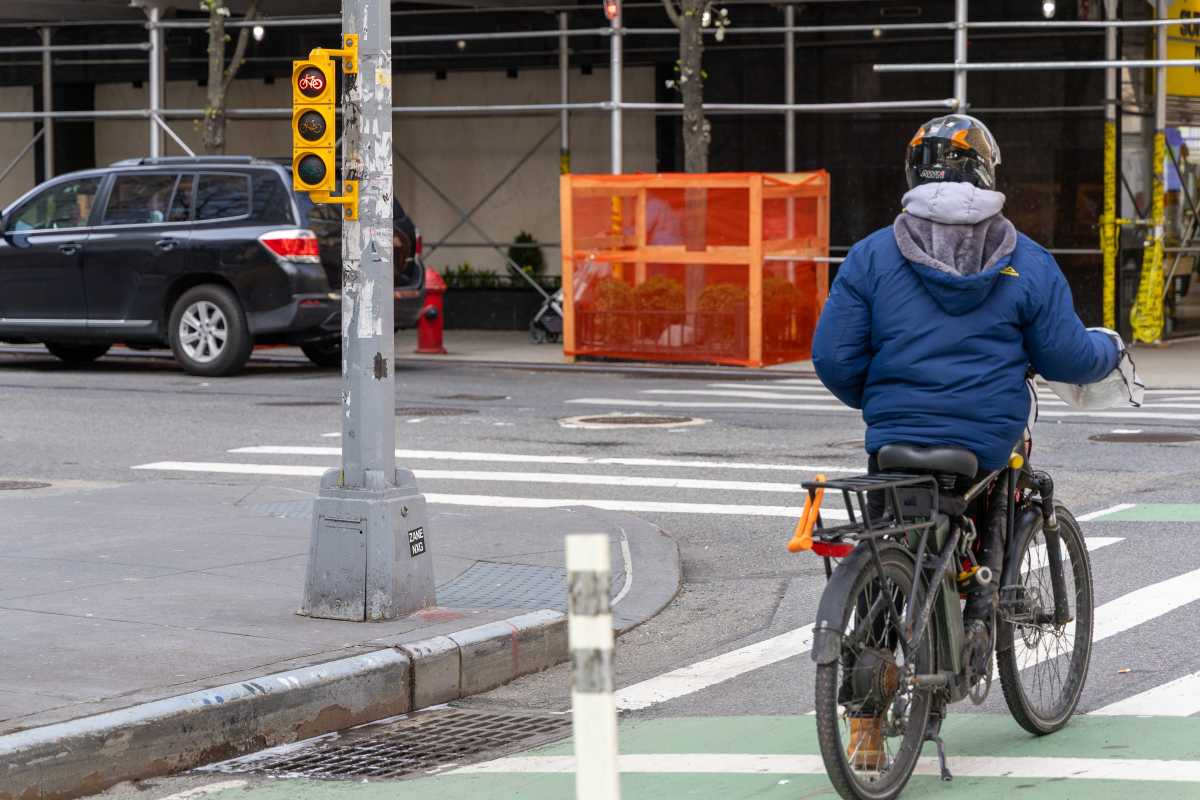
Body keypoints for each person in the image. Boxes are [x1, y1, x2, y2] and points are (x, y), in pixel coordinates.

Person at [811, 114, 1120, 673]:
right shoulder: (1026, 261)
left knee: (887, 547)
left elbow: (833, 358)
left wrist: (887, 397)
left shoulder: (871, 256)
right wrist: (1110, 349)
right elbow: (1066, 357)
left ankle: (868, 718)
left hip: (895, 438)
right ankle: (979, 621)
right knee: (998, 480)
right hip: (983, 439)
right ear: (985, 174)